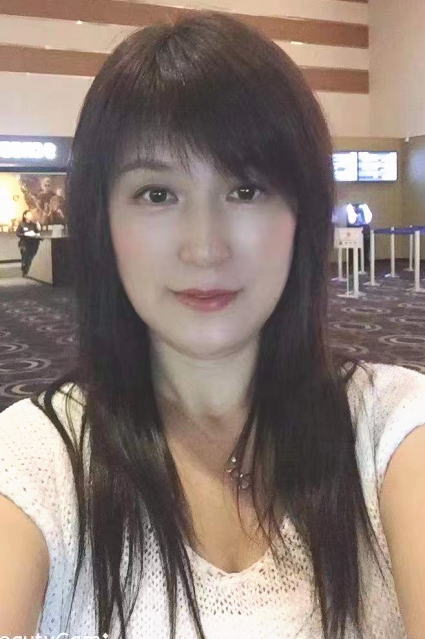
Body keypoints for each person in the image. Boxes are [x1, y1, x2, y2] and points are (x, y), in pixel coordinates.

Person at [0, 11, 424, 639]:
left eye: (246, 191)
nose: (205, 248)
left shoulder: (391, 425)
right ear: (102, 220)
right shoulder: (36, 460)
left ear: (302, 214)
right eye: (157, 194)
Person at [15, 209, 42, 275]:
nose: (30, 216)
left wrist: (38, 228)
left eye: (31, 214)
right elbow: (18, 233)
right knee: (25, 257)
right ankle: (24, 269)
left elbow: (37, 232)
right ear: (25, 216)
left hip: (33, 243)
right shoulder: (21, 224)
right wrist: (25, 234)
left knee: (31, 257)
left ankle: (28, 271)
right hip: (24, 243)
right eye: (29, 214)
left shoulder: (33, 224)